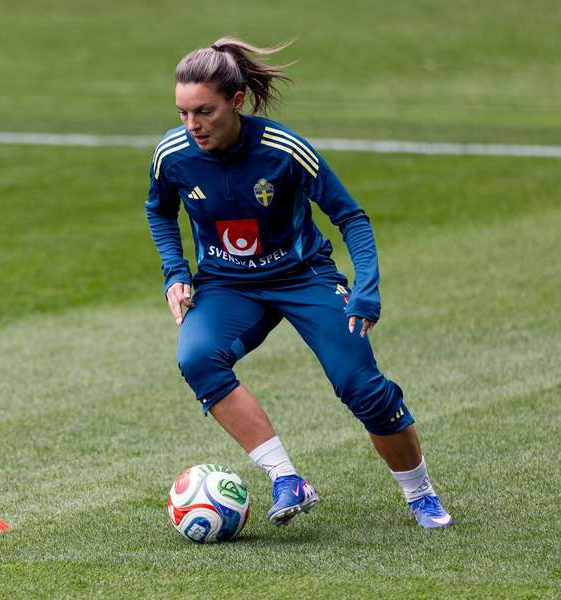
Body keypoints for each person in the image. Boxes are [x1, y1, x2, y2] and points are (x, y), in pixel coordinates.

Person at [145, 37, 452, 528]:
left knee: (361, 387)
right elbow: (159, 209)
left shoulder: (284, 150)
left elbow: (351, 217)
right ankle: (287, 479)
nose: (191, 125)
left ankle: (420, 495)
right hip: (228, 284)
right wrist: (175, 272)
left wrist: (366, 289)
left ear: (237, 102)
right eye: (182, 113)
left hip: (302, 277)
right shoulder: (173, 154)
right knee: (196, 357)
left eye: (204, 111)